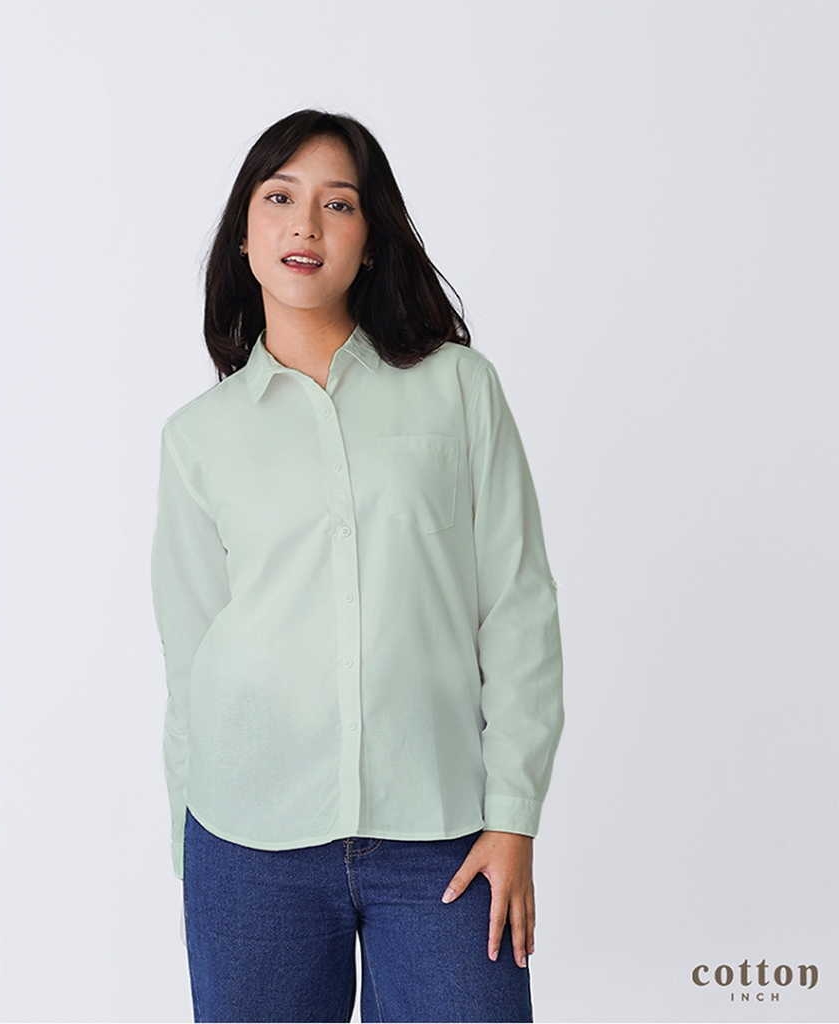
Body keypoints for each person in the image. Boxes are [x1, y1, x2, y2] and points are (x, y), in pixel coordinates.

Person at [150, 108, 565, 1024]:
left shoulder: (459, 389)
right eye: (279, 198)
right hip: (248, 842)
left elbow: (518, 606)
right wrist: (193, 848)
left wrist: (514, 813)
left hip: (445, 836)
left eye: (338, 204)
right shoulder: (198, 440)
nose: (305, 224)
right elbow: (191, 654)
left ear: (370, 240)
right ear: (244, 234)